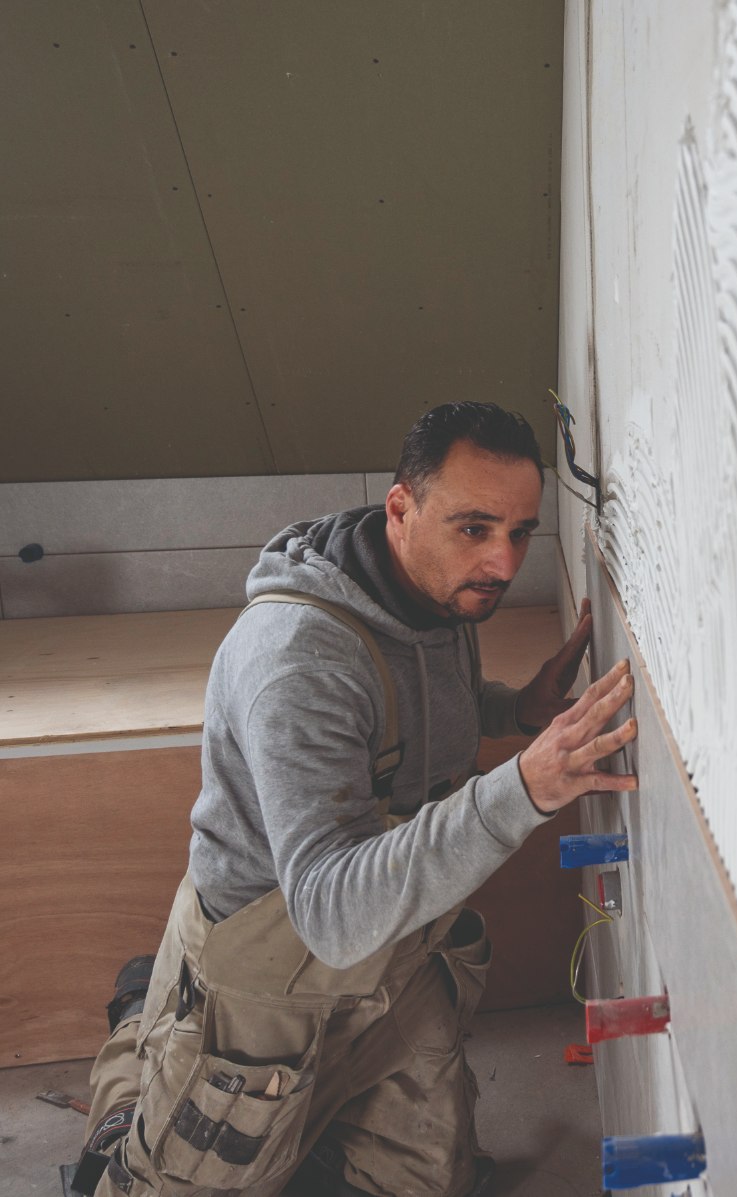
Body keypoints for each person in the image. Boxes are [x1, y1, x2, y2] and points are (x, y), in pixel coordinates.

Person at [69, 403, 639, 1197]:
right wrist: (521, 789)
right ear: (401, 508)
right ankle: (142, 1028)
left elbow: (406, 714)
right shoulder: (299, 661)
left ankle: (312, 1115)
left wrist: (516, 709)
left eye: (520, 532)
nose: (504, 562)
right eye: (475, 527)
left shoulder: (435, 590)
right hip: (268, 983)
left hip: (392, 955)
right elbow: (330, 914)